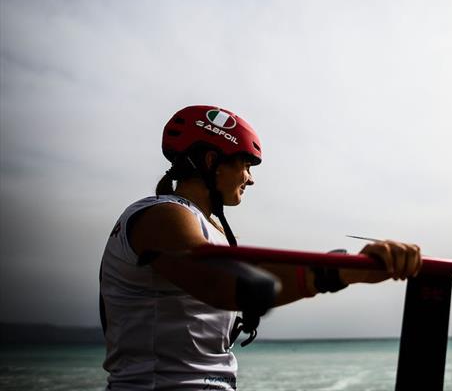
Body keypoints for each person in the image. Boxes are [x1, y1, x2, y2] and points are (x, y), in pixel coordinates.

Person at [99, 105, 422, 390]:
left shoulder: (206, 227)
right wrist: (344, 270)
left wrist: (357, 268)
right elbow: (223, 285)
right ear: (212, 161)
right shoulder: (163, 215)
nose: (251, 179)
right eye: (246, 165)